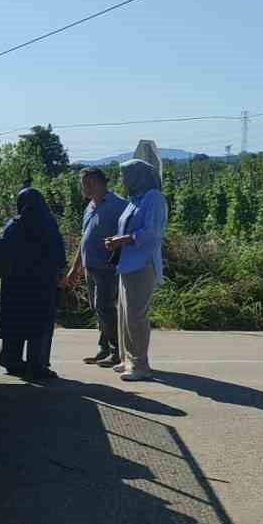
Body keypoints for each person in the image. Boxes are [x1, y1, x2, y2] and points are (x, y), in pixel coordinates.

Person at [105, 159, 168, 382]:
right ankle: (127, 359)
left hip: (142, 265)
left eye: (125, 175)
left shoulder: (154, 198)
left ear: (137, 175)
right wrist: (117, 241)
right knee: (124, 314)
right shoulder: (134, 200)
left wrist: (121, 239)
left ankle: (140, 365)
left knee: (136, 316)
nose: (122, 179)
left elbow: (151, 233)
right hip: (127, 265)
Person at [62, 168, 129, 367]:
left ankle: (117, 351)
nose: (86, 188)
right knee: (98, 308)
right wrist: (75, 268)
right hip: (90, 267)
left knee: (104, 307)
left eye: (90, 183)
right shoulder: (90, 207)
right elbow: (84, 240)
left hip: (108, 267)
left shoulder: (119, 205)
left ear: (102, 183)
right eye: (84, 184)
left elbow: (129, 234)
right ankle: (104, 348)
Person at [0, 188, 67, 380]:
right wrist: (60, 272)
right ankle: (38, 365)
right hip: (42, 284)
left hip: (15, 284)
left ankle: (11, 361)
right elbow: (58, 252)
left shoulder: (12, 226)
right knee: (40, 324)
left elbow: (2, 253)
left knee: (15, 322)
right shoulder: (48, 224)